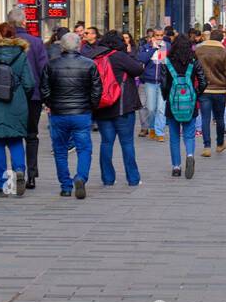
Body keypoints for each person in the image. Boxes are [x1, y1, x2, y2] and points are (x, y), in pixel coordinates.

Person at [0, 22, 36, 197]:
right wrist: (20, 95)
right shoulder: (21, 54)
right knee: (16, 140)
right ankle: (19, 171)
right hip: (15, 102)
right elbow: (29, 83)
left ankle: (2, 183)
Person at [39, 31, 101, 198]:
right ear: (79, 45)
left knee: (60, 150)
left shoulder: (51, 65)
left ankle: (65, 185)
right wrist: (91, 106)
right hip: (81, 112)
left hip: (59, 113)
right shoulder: (89, 64)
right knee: (84, 148)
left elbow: (44, 89)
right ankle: (81, 176)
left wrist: (50, 104)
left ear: (62, 46)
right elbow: (97, 90)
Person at [88, 30, 144, 187]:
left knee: (106, 143)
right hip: (122, 107)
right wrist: (128, 53)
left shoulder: (94, 57)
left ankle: (107, 178)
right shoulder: (119, 57)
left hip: (102, 107)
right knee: (127, 143)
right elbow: (138, 69)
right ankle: (132, 178)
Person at [7, 6, 49, 189]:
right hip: (33, 96)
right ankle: (32, 174)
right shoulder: (36, 42)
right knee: (32, 135)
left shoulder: (6, 42)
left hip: (10, 97)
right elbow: (44, 70)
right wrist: (47, 96)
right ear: (24, 22)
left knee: (15, 134)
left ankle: (19, 169)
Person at [161, 34, 207, 177]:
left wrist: (166, 97)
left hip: (173, 103)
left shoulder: (167, 61)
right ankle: (190, 155)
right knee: (189, 134)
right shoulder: (193, 61)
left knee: (174, 136)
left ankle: (176, 167)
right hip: (189, 103)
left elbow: (163, 83)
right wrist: (195, 94)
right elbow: (203, 81)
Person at [195, 28, 226, 155]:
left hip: (204, 89)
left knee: (205, 118)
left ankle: (207, 146)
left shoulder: (199, 50)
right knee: (219, 118)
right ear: (221, 39)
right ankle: (220, 143)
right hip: (220, 89)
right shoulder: (225, 52)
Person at [137, 30, 166, 141]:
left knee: (161, 108)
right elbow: (142, 59)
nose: (159, 37)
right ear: (152, 37)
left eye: (161, 35)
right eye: (157, 35)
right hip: (149, 81)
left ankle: (160, 132)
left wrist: (161, 48)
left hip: (162, 81)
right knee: (151, 108)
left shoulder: (166, 46)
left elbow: (164, 62)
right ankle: (152, 127)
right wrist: (154, 48)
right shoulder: (145, 47)